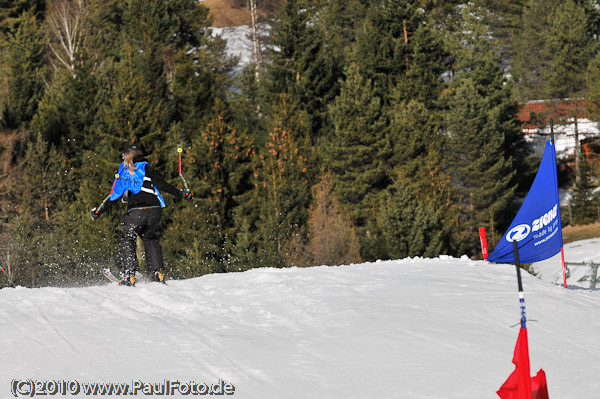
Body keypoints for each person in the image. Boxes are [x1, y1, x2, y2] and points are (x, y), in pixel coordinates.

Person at [91, 144, 192, 285]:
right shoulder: (147, 167)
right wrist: (181, 194)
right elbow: (162, 185)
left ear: (127, 155)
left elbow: (114, 195)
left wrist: (99, 211)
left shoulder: (126, 170)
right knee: (149, 238)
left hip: (137, 211)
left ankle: (129, 273)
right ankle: (158, 273)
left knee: (128, 237)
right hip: (155, 210)